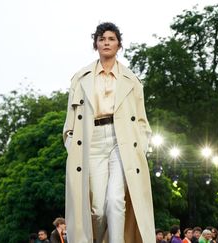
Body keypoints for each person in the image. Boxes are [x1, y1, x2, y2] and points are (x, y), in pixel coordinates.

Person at [63, 22, 154, 242]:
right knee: (97, 209)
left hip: (120, 141)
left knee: (116, 200)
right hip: (90, 141)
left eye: (111, 39)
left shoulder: (132, 81)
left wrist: (140, 147)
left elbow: (142, 121)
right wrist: (71, 143)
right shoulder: (80, 77)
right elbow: (70, 122)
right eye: (102, 38)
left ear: (119, 45)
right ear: (95, 44)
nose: (106, 42)